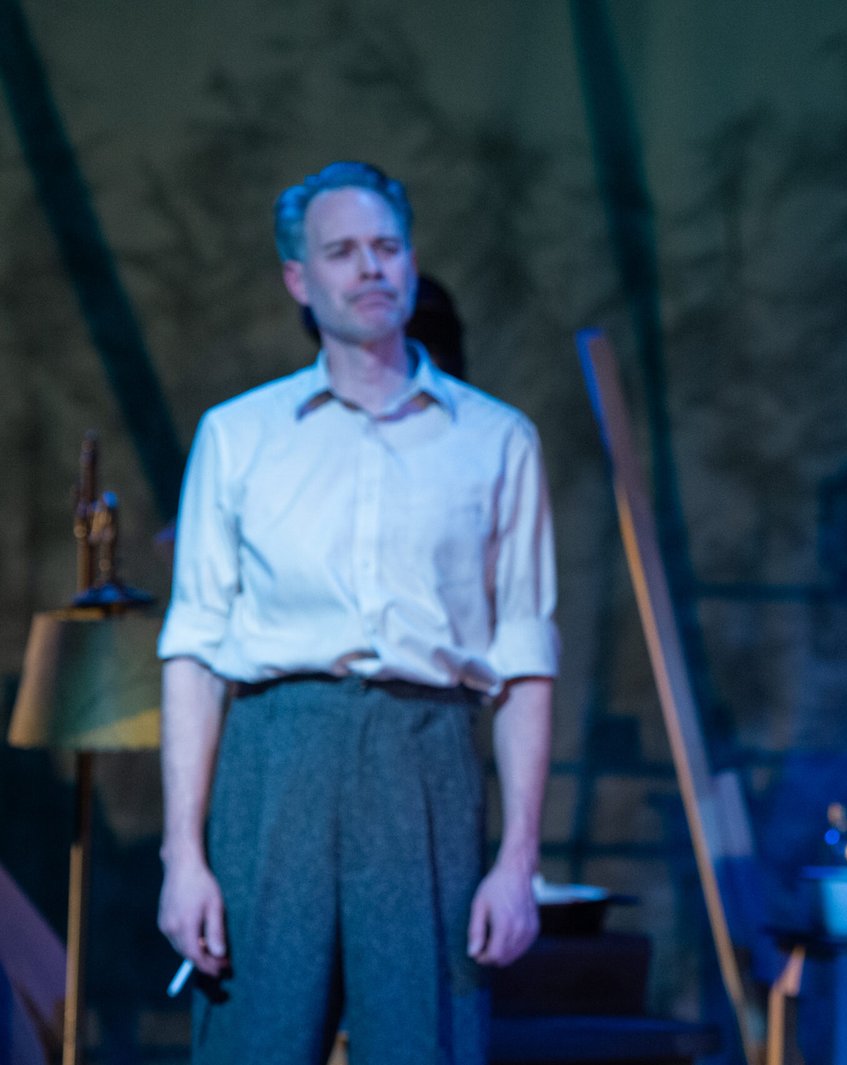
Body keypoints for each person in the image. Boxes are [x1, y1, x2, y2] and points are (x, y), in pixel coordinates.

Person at [156, 161, 559, 1065]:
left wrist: (516, 862)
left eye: (387, 246)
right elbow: (195, 651)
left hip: (425, 760)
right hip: (278, 757)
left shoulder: (496, 440)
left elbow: (525, 658)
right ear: (299, 279)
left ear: (411, 262)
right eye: (341, 251)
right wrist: (183, 856)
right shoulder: (239, 436)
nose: (370, 267)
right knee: (254, 1042)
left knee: (423, 1040)